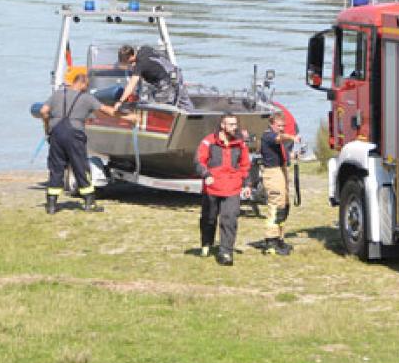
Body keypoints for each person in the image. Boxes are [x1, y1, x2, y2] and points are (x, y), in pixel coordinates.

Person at [39, 73, 135, 215]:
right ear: (83, 83)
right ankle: (89, 203)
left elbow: (43, 111)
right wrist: (128, 117)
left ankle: (52, 205)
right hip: (75, 135)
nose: (87, 88)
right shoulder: (87, 98)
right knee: (81, 167)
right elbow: (107, 111)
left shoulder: (58, 94)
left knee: (56, 167)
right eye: (87, 86)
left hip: (56, 133)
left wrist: (47, 126)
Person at [195, 113, 252, 266]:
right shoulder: (209, 141)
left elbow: (245, 165)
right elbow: (199, 160)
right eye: (231, 125)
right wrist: (206, 174)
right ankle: (206, 243)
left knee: (230, 219)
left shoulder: (241, 143)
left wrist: (247, 184)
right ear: (223, 125)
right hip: (212, 188)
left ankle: (226, 252)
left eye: (235, 124)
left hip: (232, 188)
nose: (235, 127)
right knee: (209, 218)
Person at [259, 112, 298, 256]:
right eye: (279, 125)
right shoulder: (268, 135)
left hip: (281, 171)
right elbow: (279, 138)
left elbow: (280, 151)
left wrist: (292, 156)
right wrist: (292, 137)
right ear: (272, 124)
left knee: (284, 205)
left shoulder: (276, 138)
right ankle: (271, 241)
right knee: (275, 206)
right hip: (272, 173)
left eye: (283, 126)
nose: (281, 128)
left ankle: (280, 238)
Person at [115, 45, 194, 111]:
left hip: (165, 82)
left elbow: (131, 85)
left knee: (162, 104)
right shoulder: (144, 49)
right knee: (183, 101)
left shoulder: (140, 65)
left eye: (123, 61)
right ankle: (194, 117)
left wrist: (120, 101)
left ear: (128, 57)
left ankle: (165, 121)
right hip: (175, 73)